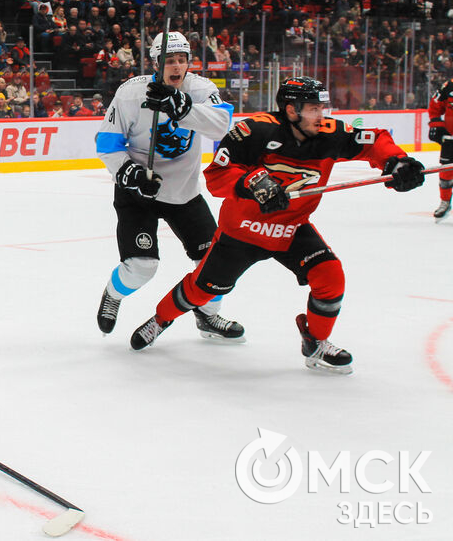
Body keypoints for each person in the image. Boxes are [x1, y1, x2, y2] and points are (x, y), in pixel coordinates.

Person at [130, 77, 426, 373]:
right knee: (201, 290)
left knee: (330, 276)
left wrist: (397, 163)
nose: (320, 115)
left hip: (291, 228)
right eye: (312, 109)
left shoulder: (331, 133)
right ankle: (160, 319)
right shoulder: (255, 130)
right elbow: (218, 175)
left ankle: (316, 342)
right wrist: (251, 182)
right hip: (243, 230)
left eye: (321, 108)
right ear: (291, 109)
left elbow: (372, 142)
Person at [95, 31, 241, 340]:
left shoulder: (201, 89)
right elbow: (107, 142)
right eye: (168, 61)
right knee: (141, 267)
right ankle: (113, 295)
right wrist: (131, 174)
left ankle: (208, 316)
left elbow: (221, 124)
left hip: (183, 193)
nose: (176, 67)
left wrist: (182, 107)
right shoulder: (130, 93)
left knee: (215, 263)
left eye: (181, 60)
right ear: (154, 63)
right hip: (137, 193)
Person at [427, 78, 453, 222]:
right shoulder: (449, 86)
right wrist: (435, 124)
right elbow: (435, 105)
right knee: (446, 172)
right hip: (451, 139)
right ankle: (445, 201)